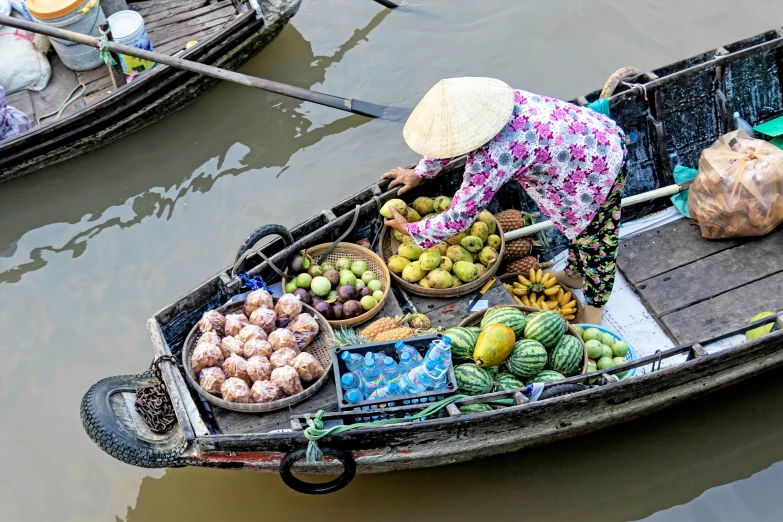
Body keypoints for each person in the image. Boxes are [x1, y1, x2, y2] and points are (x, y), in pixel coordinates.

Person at [381, 77, 628, 324]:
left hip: (598, 171)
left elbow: (459, 218)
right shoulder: (505, 103)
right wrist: (420, 172)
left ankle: (595, 309)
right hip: (589, 140)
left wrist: (411, 230)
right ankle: (575, 274)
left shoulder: (493, 157)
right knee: (579, 229)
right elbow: (450, 142)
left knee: (596, 243)